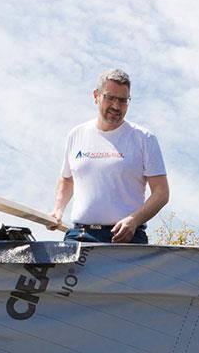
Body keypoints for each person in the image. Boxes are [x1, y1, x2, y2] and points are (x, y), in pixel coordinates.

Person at [49, 69, 170, 244]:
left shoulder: (144, 138)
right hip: (80, 236)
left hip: (126, 239)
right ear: (96, 96)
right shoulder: (76, 135)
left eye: (123, 100)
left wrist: (134, 220)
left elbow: (161, 193)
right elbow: (67, 179)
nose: (116, 106)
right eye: (110, 98)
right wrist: (58, 209)